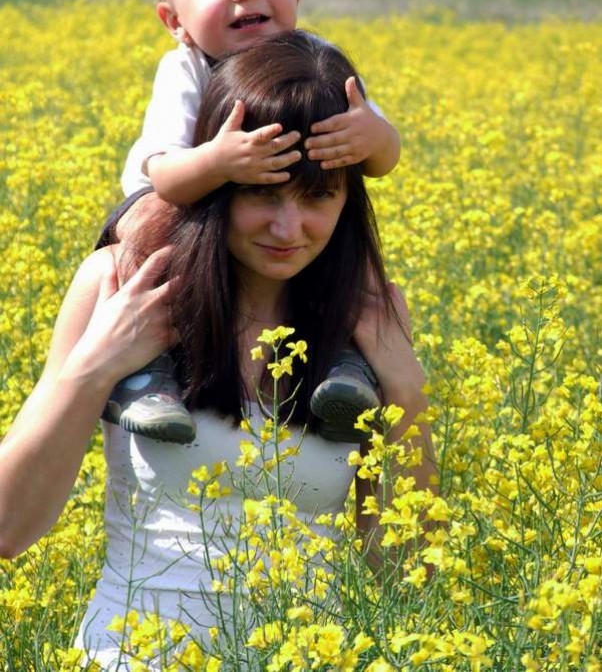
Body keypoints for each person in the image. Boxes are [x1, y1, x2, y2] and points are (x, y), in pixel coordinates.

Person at [0, 33, 434, 669]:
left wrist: (408, 393)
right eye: (262, 193)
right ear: (217, 178)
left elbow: (402, 578)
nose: (289, 230)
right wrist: (94, 368)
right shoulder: (124, 283)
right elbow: (9, 529)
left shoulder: (366, 321)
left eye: (319, 197)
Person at [105, 0, 401, 446]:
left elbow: (384, 159)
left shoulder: (314, 62)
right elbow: (162, 175)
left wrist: (371, 135)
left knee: (359, 257)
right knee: (143, 241)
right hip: (176, 209)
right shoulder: (186, 69)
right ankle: (148, 375)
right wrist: (219, 161)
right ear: (174, 19)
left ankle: (349, 366)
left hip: (259, 217)